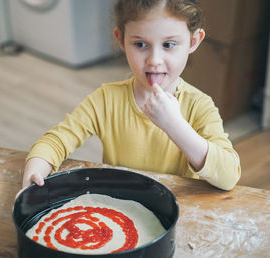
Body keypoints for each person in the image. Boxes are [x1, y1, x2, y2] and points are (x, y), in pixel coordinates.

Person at [20, 0, 241, 194]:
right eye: (140, 44)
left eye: (169, 45)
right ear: (121, 39)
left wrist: (174, 124)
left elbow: (229, 176)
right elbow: (55, 141)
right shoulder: (106, 100)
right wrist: (34, 174)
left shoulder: (199, 106)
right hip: (120, 209)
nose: (154, 60)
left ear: (193, 41)